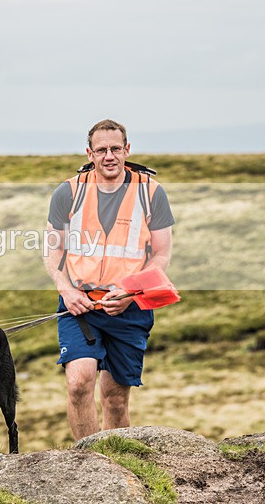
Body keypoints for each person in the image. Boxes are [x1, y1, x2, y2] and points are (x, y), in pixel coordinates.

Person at [43, 119, 174, 440]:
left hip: (129, 308)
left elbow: (161, 255)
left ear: (127, 150)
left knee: (115, 400)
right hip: (79, 305)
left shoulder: (151, 193)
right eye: (101, 150)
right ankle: (86, 461)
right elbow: (52, 249)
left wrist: (130, 293)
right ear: (89, 154)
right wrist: (66, 289)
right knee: (78, 383)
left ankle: (113, 461)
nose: (109, 156)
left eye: (116, 148)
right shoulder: (68, 192)